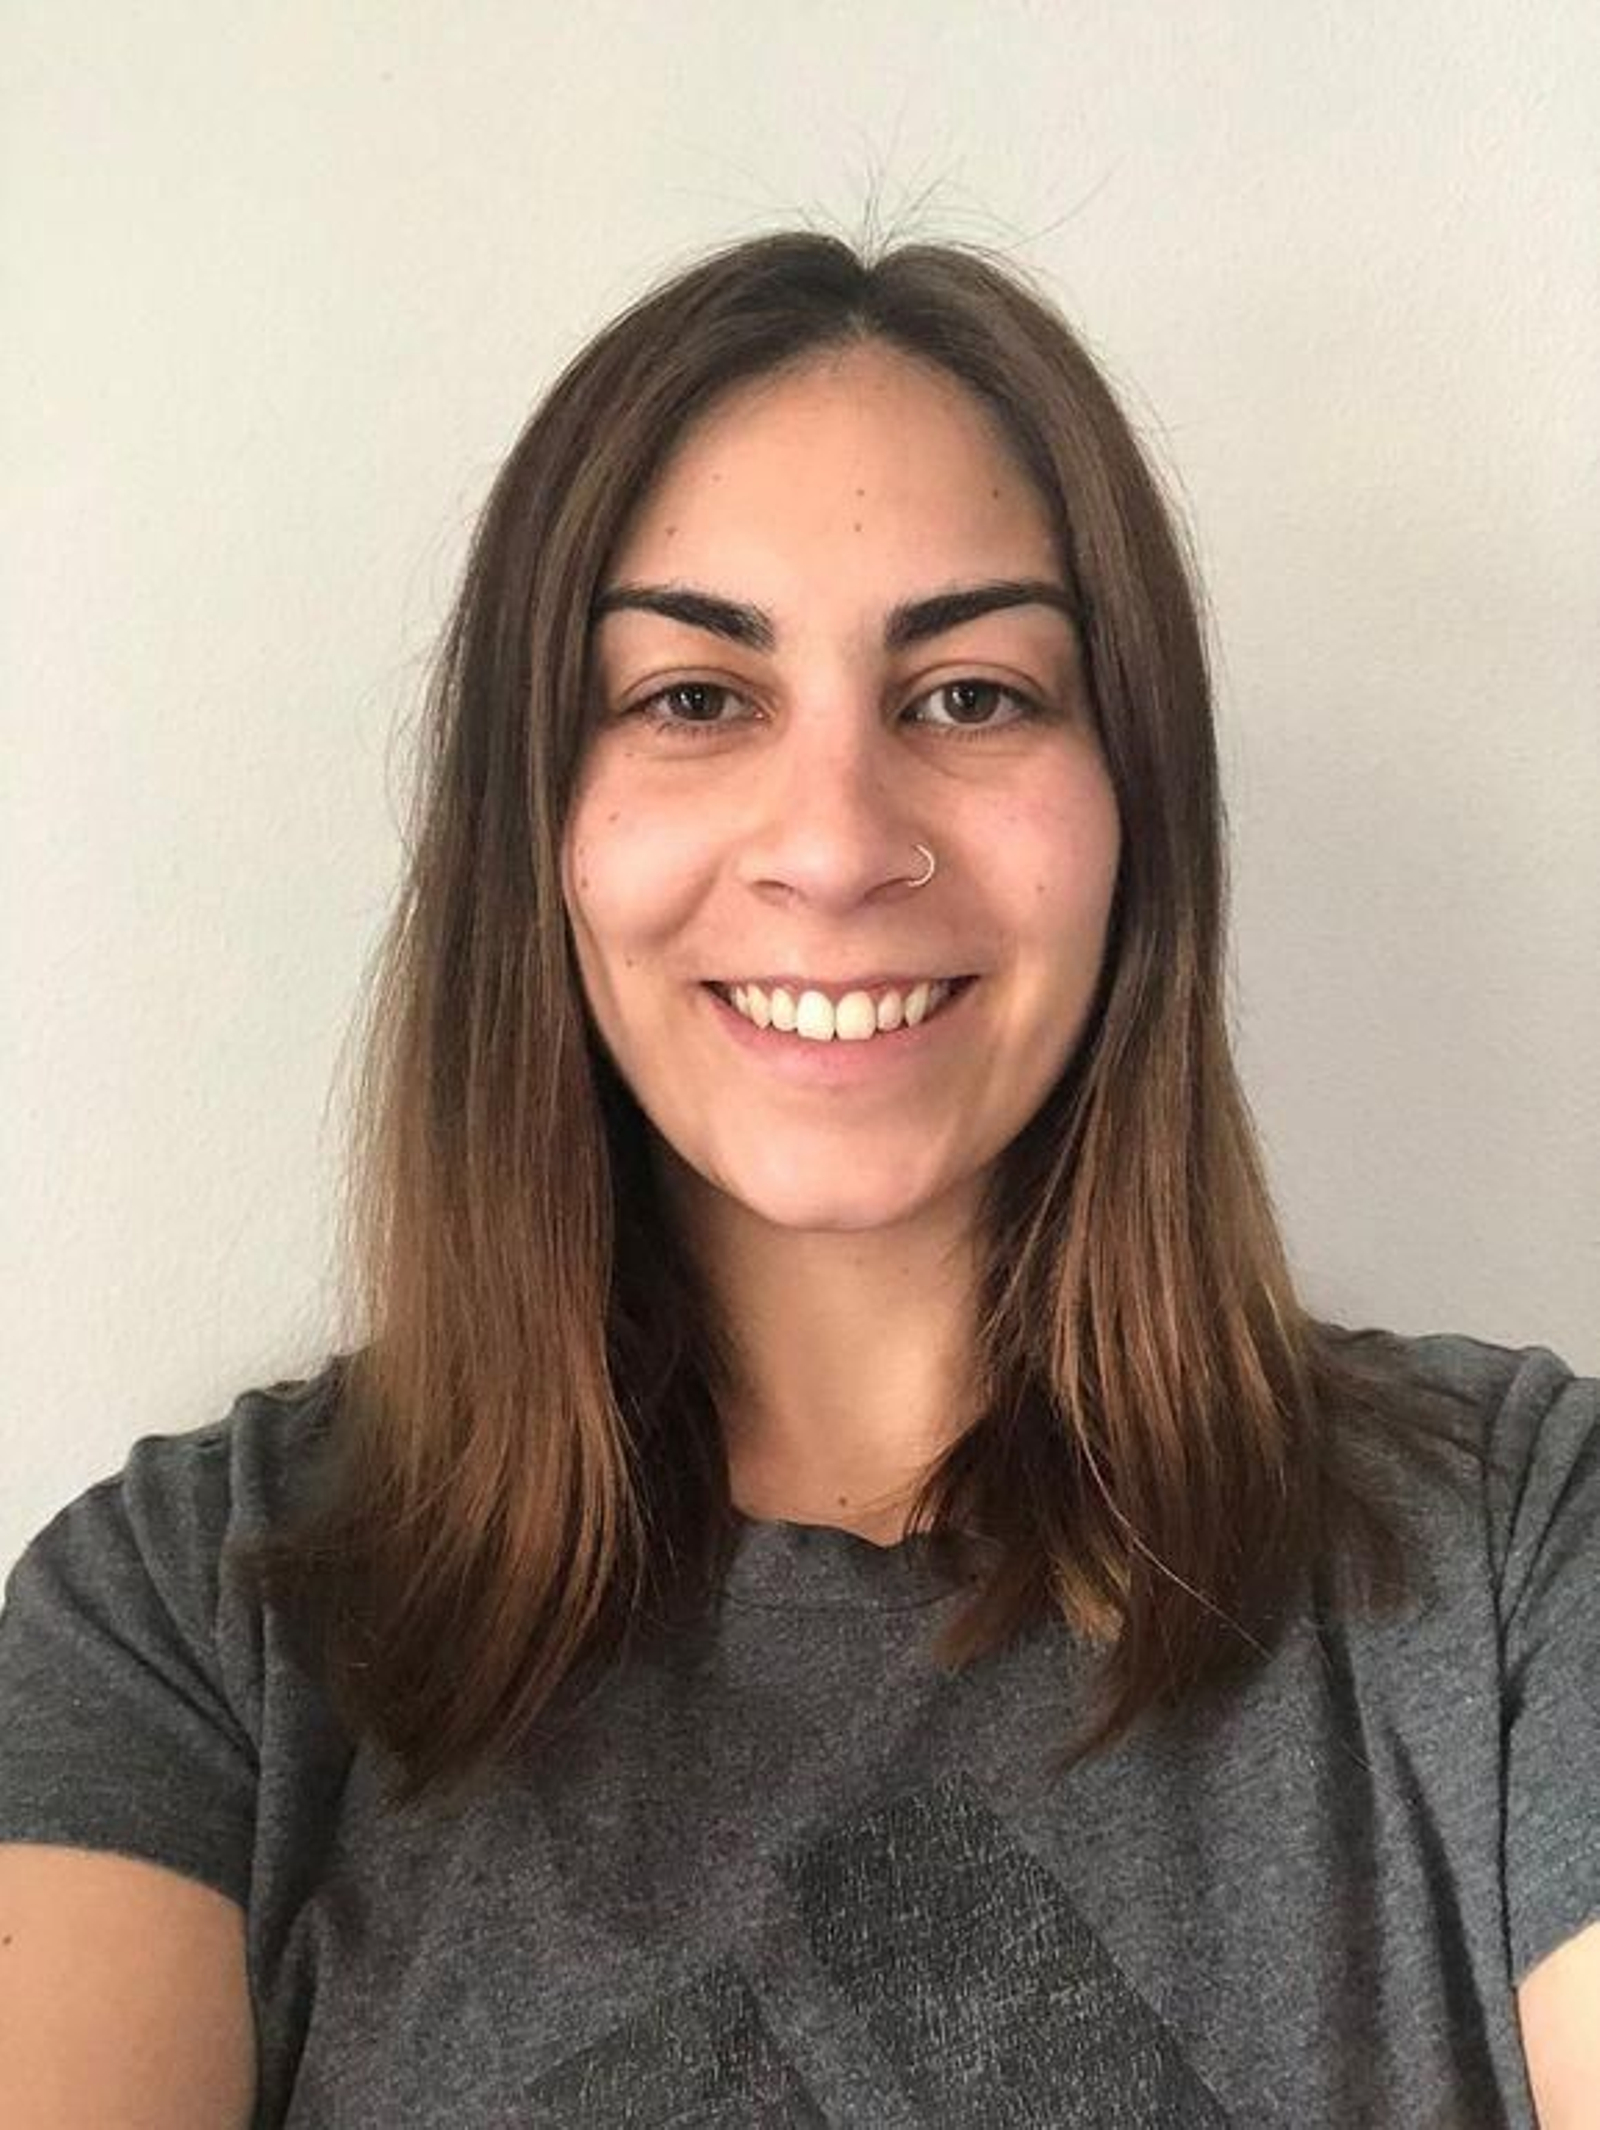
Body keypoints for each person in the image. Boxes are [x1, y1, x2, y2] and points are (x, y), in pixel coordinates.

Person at [0, 229, 1594, 2128]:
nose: (834, 847)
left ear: (1137, 807)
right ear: (538, 824)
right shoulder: (191, 1622)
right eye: (692, 698)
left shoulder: (1517, 1562)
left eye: (973, 694)